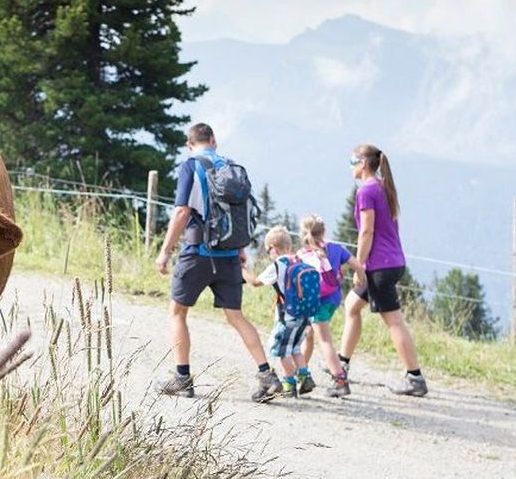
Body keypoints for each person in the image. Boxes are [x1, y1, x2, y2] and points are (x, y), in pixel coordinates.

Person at [154, 123, 282, 401]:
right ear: (213, 140)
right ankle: (267, 375)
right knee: (236, 316)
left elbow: (181, 212)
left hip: (198, 252)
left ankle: (182, 378)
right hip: (230, 255)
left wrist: (165, 251)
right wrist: (240, 248)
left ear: (190, 144)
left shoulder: (191, 166)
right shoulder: (231, 167)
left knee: (177, 312)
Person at [338, 144, 427, 396]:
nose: (351, 166)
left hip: (378, 266)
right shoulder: (383, 187)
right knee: (352, 306)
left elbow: (367, 231)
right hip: (392, 261)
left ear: (363, 163)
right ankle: (341, 364)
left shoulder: (366, 191)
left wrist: (358, 265)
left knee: (394, 321)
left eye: (352, 161)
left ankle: (415, 378)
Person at [297, 214, 364, 397]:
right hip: (333, 300)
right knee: (309, 335)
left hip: (315, 303)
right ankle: (301, 375)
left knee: (324, 340)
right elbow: (357, 265)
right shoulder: (335, 249)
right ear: (323, 232)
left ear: (303, 234)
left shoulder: (302, 256)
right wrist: (361, 280)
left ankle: (340, 380)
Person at [246, 226, 313, 398]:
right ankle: (305, 377)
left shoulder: (278, 265)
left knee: (282, 351)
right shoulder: (298, 260)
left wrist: (243, 269)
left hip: (287, 317)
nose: (269, 254)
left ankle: (289, 384)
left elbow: (255, 283)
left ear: (273, 248)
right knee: (296, 349)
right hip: (305, 316)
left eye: (268, 250)